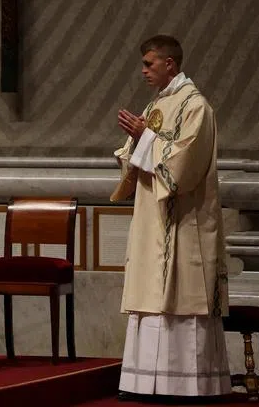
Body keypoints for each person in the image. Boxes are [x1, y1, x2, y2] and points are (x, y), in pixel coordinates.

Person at [111, 35, 230, 399]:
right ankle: (143, 381)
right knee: (151, 292)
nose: (144, 71)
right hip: (153, 216)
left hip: (184, 220)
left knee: (183, 294)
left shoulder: (196, 107)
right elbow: (144, 151)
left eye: (149, 64)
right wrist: (134, 144)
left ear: (170, 65)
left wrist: (145, 137)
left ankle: (185, 384)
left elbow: (185, 164)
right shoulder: (159, 102)